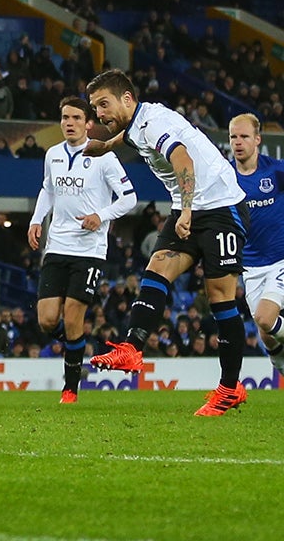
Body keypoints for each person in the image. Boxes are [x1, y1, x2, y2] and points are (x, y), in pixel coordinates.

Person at [82, 70, 251, 416]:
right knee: (156, 270)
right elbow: (130, 138)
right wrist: (105, 146)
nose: (99, 114)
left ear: (127, 99)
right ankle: (132, 347)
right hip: (189, 207)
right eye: (95, 107)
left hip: (220, 208)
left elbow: (182, 159)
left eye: (103, 104)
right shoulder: (136, 125)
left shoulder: (155, 123)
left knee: (220, 296)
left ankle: (230, 388)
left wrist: (186, 210)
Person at [27, 94, 138, 403]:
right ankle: (78, 345)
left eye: (76, 118)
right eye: (65, 118)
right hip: (57, 246)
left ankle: (70, 389)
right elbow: (48, 189)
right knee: (47, 319)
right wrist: (37, 220)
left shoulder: (104, 157)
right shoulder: (53, 155)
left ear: (89, 123)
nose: (69, 123)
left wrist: (100, 216)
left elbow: (129, 198)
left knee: (73, 316)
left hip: (89, 250)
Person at [227, 112, 284, 376]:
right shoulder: (224, 177)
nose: (238, 142)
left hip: (280, 259)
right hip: (250, 268)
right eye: (233, 137)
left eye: (244, 137)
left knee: (265, 317)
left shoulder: (276, 170)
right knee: (267, 335)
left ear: (257, 139)